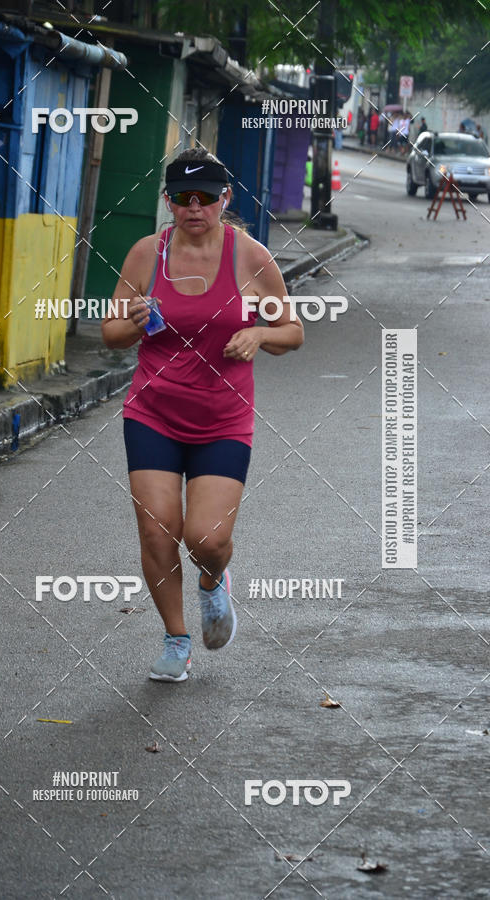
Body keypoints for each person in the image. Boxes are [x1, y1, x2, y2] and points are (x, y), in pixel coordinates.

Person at [102, 148, 304, 682]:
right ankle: (176, 639)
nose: (195, 208)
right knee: (157, 533)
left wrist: (260, 332)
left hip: (223, 420)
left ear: (225, 199)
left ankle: (214, 582)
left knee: (206, 539)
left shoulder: (251, 257)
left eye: (207, 198)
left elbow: (293, 333)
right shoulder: (148, 254)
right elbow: (111, 334)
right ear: (168, 201)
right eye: (183, 198)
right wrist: (134, 320)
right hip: (152, 413)